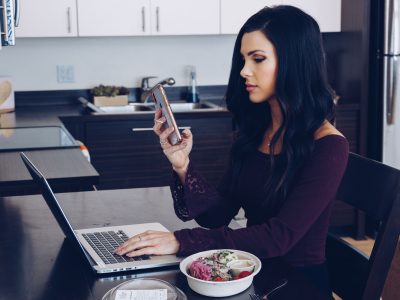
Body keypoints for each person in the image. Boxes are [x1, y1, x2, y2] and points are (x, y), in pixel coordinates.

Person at [115, 5, 349, 296]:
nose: (243, 71)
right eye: (243, 59)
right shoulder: (257, 131)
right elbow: (218, 215)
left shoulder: (329, 146)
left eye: (258, 59)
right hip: (248, 273)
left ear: (295, 63)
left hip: (295, 285)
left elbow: (279, 238)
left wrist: (180, 240)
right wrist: (182, 165)